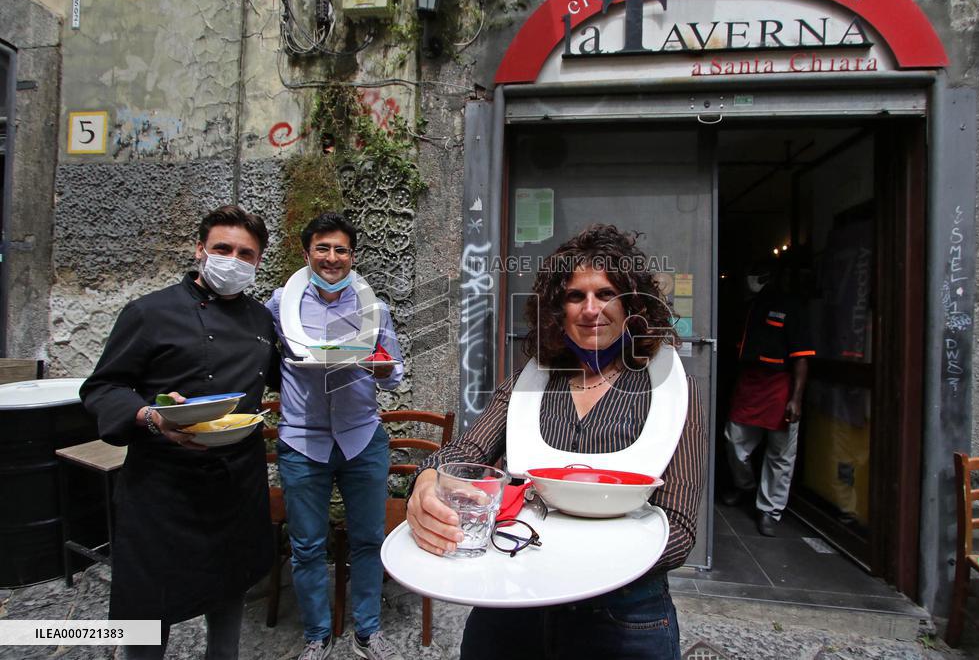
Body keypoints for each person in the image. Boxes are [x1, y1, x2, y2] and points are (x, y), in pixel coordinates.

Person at [407, 224, 707, 660]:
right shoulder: (529, 384)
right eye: (574, 296)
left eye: (606, 294)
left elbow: (679, 528)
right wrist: (428, 478)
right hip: (516, 597)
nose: (590, 309)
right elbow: (467, 453)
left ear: (632, 305)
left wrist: (574, 562)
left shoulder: (670, 391)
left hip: (623, 613)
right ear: (557, 310)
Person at [80, 205, 278, 660]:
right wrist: (151, 417)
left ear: (258, 262)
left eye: (246, 254)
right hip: (163, 491)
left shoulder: (261, 321)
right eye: (223, 248)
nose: (234, 259)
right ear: (200, 251)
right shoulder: (150, 313)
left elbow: (284, 379)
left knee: (229, 599)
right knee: (147, 616)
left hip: (234, 486)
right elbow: (103, 387)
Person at [266, 213, 404, 660]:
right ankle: (316, 634)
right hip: (302, 442)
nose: (332, 257)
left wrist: (383, 369)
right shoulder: (278, 303)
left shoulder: (373, 307)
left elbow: (394, 372)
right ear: (306, 254)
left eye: (341, 249)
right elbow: (269, 363)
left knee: (368, 538)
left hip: (362, 439)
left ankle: (366, 630)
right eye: (323, 248)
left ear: (352, 256)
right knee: (306, 546)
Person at [721, 257, 814, 537]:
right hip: (750, 383)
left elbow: (801, 359)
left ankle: (769, 510)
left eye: (756, 273)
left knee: (781, 453)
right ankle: (745, 486)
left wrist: (796, 398)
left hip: (780, 384)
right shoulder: (747, 308)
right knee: (734, 440)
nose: (750, 279)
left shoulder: (791, 307)